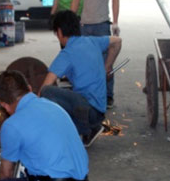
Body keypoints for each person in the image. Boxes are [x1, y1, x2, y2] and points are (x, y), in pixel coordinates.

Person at [39, 10, 122, 147]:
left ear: (59, 32)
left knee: (47, 93)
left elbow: (44, 88)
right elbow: (117, 41)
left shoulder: (66, 54)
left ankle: (86, 129)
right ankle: (89, 128)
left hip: (88, 111)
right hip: (99, 111)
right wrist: (107, 66)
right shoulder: (92, 41)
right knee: (66, 92)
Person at [71, 0, 120, 108]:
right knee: (87, 62)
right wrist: (70, 18)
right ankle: (89, 95)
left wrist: (115, 22)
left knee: (106, 62)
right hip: (85, 25)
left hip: (102, 24)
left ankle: (108, 95)